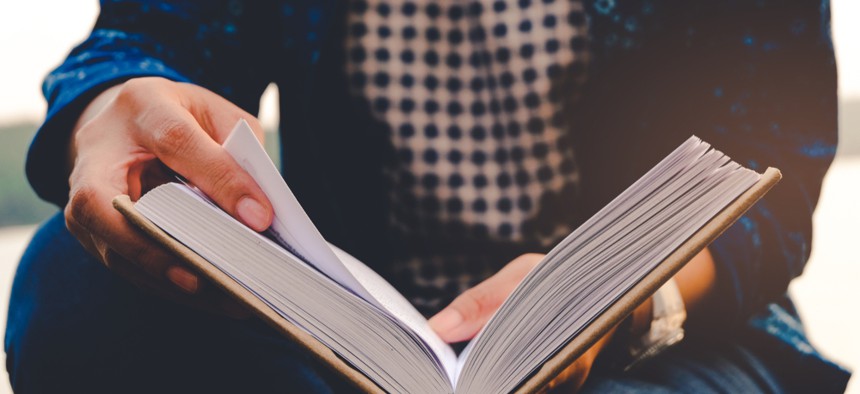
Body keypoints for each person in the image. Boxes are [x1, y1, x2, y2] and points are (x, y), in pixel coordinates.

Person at [5, 0, 851, 392]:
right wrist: (108, 110)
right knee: (73, 287)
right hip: (349, 339)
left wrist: (617, 301)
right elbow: (152, 34)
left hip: (657, 339)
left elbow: (770, 183)